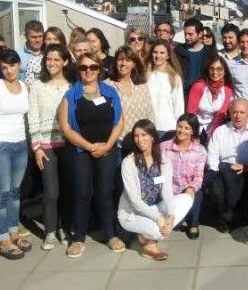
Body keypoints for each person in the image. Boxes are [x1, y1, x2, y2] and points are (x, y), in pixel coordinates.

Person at [58, 52, 125, 258]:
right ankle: (78, 237)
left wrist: (107, 146)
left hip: (107, 149)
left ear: (100, 69)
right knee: (82, 193)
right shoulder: (70, 95)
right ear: (78, 70)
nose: (88, 71)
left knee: (105, 192)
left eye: (93, 67)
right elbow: (66, 128)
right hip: (80, 150)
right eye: (84, 67)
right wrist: (89, 146)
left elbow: (119, 122)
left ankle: (110, 234)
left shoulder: (110, 92)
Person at [118, 120, 193, 260]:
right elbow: (134, 201)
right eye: (136, 136)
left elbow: (167, 190)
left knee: (186, 198)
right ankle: (148, 245)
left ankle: (149, 233)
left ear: (152, 137)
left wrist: (171, 216)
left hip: (155, 206)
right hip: (133, 213)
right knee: (158, 231)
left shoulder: (163, 159)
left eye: (144, 135)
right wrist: (158, 218)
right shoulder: (128, 163)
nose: (139, 140)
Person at [28, 44, 76, 250]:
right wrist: (37, 147)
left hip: (68, 145)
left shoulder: (73, 86)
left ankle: (64, 227)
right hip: (46, 146)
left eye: (57, 59)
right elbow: (33, 116)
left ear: (65, 62)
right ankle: (49, 231)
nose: (52, 63)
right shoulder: (37, 86)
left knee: (66, 189)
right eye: (49, 59)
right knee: (50, 190)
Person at [206, 99, 248, 232]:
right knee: (217, 187)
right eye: (234, 112)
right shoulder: (220, 131)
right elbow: (212, 154)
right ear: (230, 113)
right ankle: (225, 219)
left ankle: (230, 219)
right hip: (223, 170)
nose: (238, 116)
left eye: (242, 112)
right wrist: (215, 172)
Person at [0, 49, 31, 259]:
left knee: (15, 191)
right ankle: (3, 239)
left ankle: (14, 232)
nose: (9, 70)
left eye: (12, 65)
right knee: (2, 193)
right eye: (4, 67)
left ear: (19, 64)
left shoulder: (25, 87)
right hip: (0, 146)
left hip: (20, 145)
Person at [160, 114, 207, 240]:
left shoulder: (200, 150)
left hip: (188, 191)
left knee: (197, 193)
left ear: (193, 131)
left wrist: (191, 188)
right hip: (168, 191)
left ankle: (193, 224)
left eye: (187, 128)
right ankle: (179, 219)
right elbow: (157, 172)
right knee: (175, 225)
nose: (182, 130)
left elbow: (198, 176)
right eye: (180, 126)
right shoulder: (163, 147)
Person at [107, 45, 156, 154]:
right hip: (115, 145)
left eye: (128, 60)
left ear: (134, 64)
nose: (123, 63)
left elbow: (150, 115)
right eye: (120, 59)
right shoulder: (106, 86)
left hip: (139, 145)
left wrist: (151, 140)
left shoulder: (142, 87)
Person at [187, 56, 235, 143]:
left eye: (219, 69)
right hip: (195, 129)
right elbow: (191, 113)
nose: (215, 72)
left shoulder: (228, 91)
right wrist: (193, 135)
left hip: (215, 131)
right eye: (212, 68)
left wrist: (213, 136)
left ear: (225, 71)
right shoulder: (198, 86)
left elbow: (221, 116)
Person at [146, 40, 185, 137]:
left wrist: (179, 128)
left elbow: (179, 106)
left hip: (168, 128)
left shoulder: (174, 77)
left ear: (168, 56)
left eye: (162, 53)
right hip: (148, 127)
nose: (158, 56)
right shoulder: (145, 75)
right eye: (155, 52)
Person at [175, 18, 217, 98]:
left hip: (205, 96)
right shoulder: (178, 51)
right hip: (184, 95)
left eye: (190, 34)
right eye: (185, 34)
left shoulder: (210, 52)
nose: (187, 37)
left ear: (200, 34)